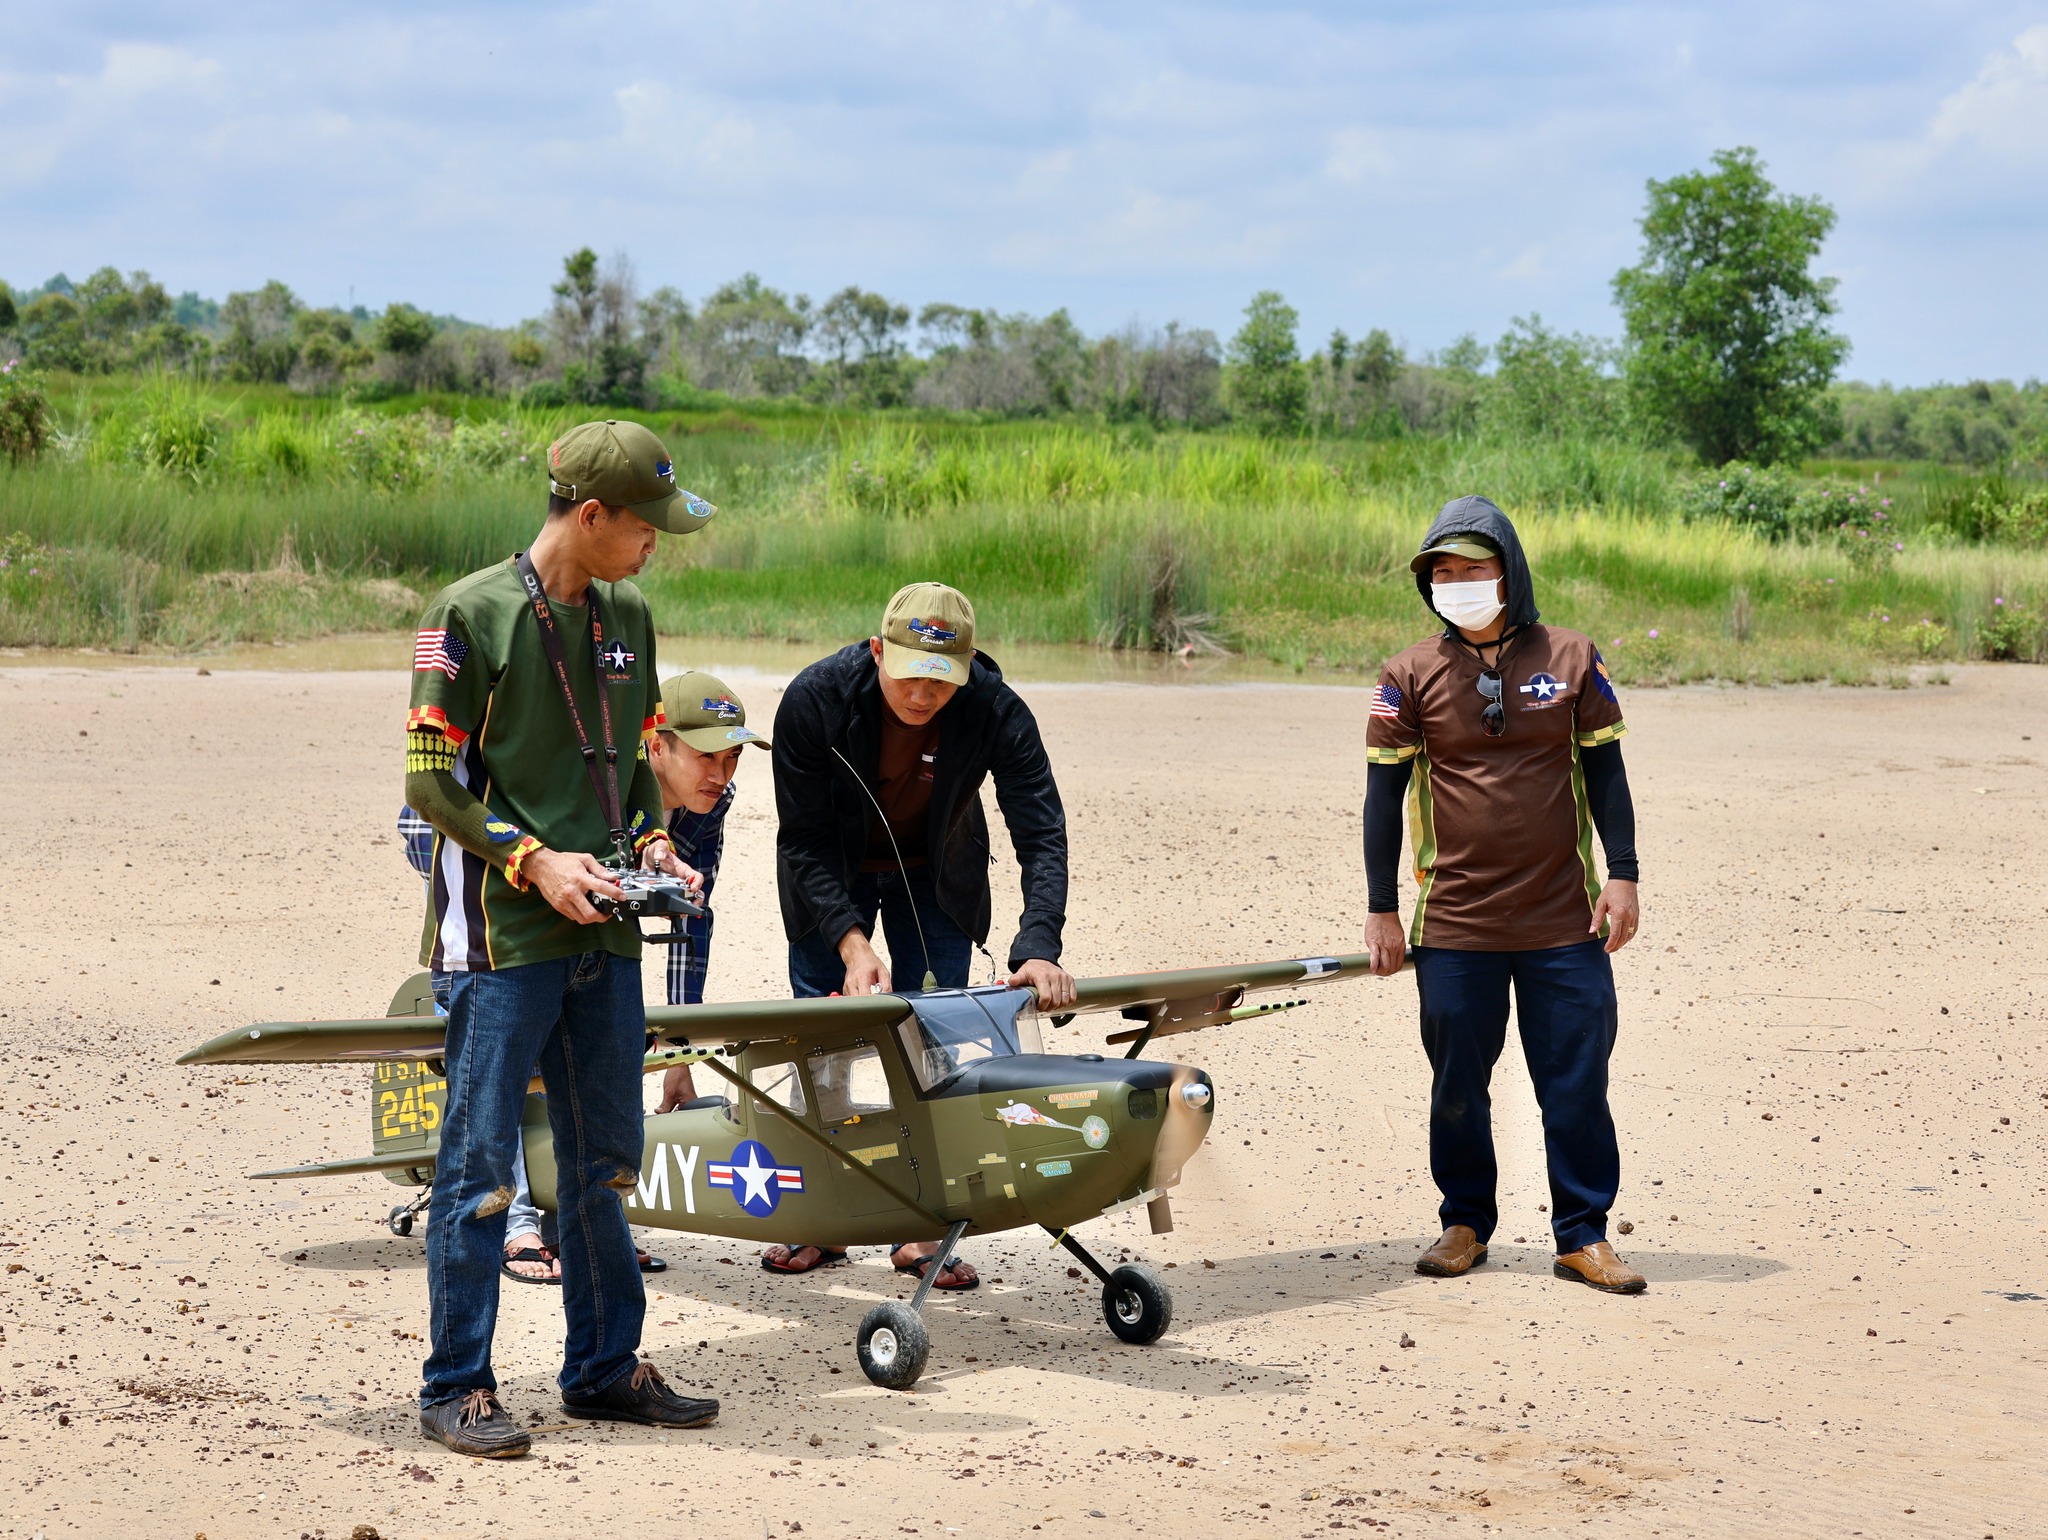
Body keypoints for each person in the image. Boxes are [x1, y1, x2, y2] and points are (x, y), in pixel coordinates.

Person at [403, 418, 723, 1458]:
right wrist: (531, 858)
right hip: (501, 940)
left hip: (608, 938)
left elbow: (631, 768)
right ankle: (457, 1385)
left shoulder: (630, 612)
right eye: (645, 526)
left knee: (604, 1164)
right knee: (483, 1168)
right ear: (590, 515)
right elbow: (426, 780)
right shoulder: (464, 616)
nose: (654, 544)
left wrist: (653, 845)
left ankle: (599, 1370)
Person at [1362, 495, 1647, 1295]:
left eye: (1473, 569)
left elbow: (1607, 774)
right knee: (1458, 1086)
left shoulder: (1573, 655)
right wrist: (1381, 906)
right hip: (1454, 920)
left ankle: (1582, 1236)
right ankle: (1463, 1223)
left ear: (1508, 572)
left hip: (1565, 918)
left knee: (1576, 1081)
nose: (1456, 584)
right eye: (1441, 573)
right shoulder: (1408, 674)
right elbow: (1383, 798)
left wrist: (1622, 874)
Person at [765, 581, 1075, 1286]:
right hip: (828, 879)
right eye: (908, 675)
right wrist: (849, 942)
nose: (922, 694)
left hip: (936, 878)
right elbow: (803, 840)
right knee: (823, 1042)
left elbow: (1041, 830)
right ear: (878, 651)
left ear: (966, 671)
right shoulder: (815, 700)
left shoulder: (996, 708)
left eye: (942, 682)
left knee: (938, 1040)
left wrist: (1038, 944)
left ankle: (920, 1224)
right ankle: (821, 1218)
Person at [476, 669, 771, 1283]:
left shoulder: (710, 800)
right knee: (531, 1038)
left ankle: (587, 1228)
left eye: (733, 758)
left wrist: (681, 1051)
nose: (722, 775)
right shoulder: (596, 773)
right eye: (707, 756)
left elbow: (691, 915)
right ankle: (519, 1221)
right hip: (489, 866)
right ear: (656, 745)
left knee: (600, 1051)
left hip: (589, 903)